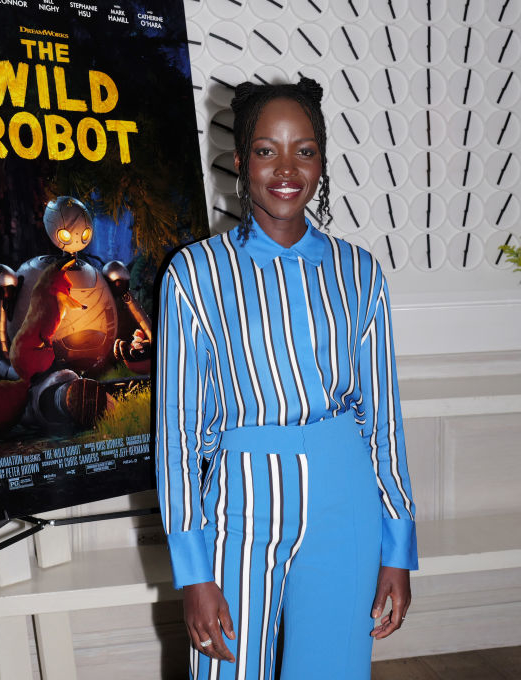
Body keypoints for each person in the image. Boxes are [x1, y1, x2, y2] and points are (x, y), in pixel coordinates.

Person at [155, 77, 417, 680]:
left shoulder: (359, 272)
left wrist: (395, 550)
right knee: (225, 671)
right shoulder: (195, 274)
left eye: (304, 149)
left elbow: (382, 421)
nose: (286, 168)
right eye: (266, 149)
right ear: (241, 160)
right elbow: (177, 437)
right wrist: (194, 571)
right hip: (239, 506)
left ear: (321, 161)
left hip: (344, 499)